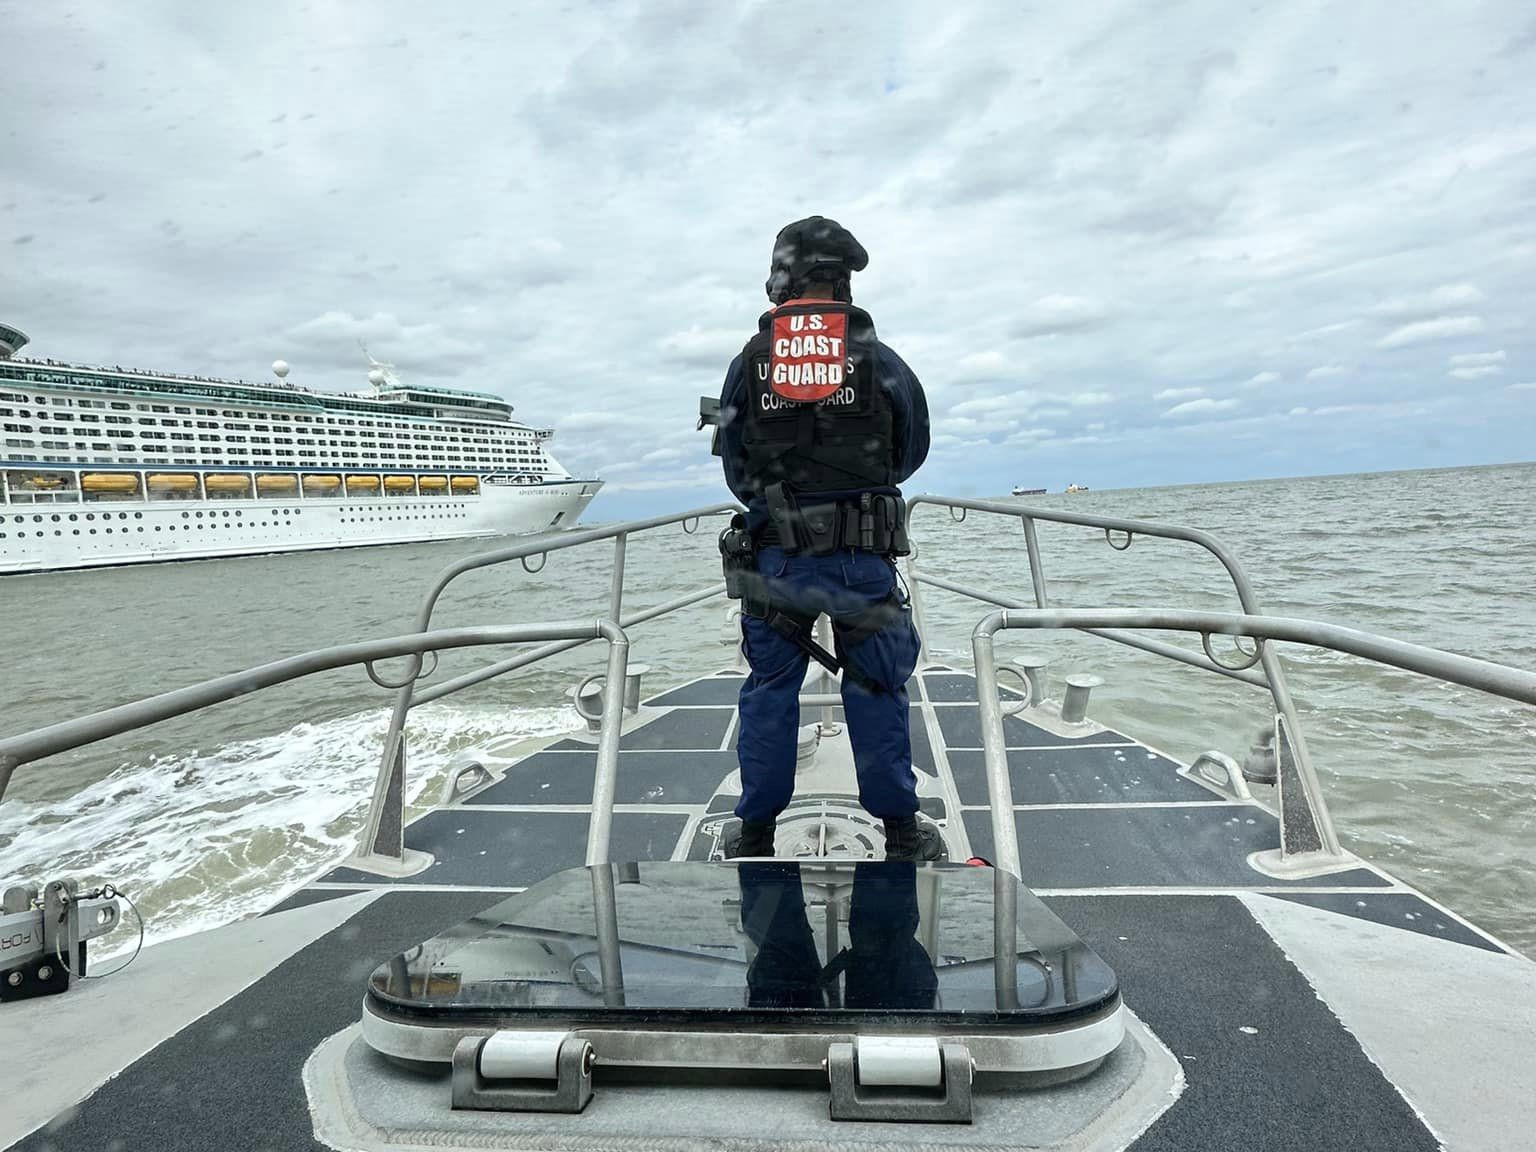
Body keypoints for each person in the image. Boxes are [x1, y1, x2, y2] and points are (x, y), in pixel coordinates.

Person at [715, 215, 939, 861]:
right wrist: (855, 494)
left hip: (775, 560)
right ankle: (900, 831)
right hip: (861, 561)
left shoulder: (747, 364)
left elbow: (735, 466)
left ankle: (754, 833)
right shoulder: (880, 360)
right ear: (844, 282)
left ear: (780, 283)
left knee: (769, 690)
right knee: (876, 688)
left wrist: (786, 504)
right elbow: (911, 451)